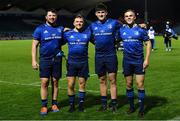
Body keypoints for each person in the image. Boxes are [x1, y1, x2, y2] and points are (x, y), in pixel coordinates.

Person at [89, 3, 122, 113]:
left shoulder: (113, 22)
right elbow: (89, 37)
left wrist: (116, 40)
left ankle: (114, 104)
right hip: (99, 56)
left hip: (111, 55)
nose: (101, 14)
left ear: (106, 13)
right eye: (98, 12)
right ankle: (104, 104)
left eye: (103, 12)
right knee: (102, 80)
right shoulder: (92, 25)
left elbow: (125, 28)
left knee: (112, 80)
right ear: (95, 14)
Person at [118, 9, 151, 117]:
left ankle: (141, 109)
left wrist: (146, 59)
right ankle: (132, 107)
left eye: (130, 15)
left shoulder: (141, 30)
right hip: (127, 61)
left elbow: (148, 43)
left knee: (140, 84)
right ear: (124, 18)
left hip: (138, 61)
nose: (128, 17)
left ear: (134, 17)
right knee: (128, 84)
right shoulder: (121, 30)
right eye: (126, 16)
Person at [32, 9, 65, 115]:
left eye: (54, 15)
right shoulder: (40, 29)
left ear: (56, 17)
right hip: (45, 60)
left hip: (57, 60)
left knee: (55, 82)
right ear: (46, 17)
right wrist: (34, 60)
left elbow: (66, 39)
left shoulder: (60, 29)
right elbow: (34, 45)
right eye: (50, 15)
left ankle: (54, 103)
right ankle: (44, 106)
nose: (52, 17)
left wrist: (68, 30)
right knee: (44, 82)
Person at [63, 14, 91, 113]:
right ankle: (71, 105)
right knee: (70, 84)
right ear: (74, 23)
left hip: (83, 62)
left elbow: (98, 41)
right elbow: (58, 42)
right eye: (77, 21)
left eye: (81, 22)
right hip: (71, 62)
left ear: (83, 23)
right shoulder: (67, 33)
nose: (79, 23)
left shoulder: (88, 33)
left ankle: (81, 105)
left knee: (82, 84)